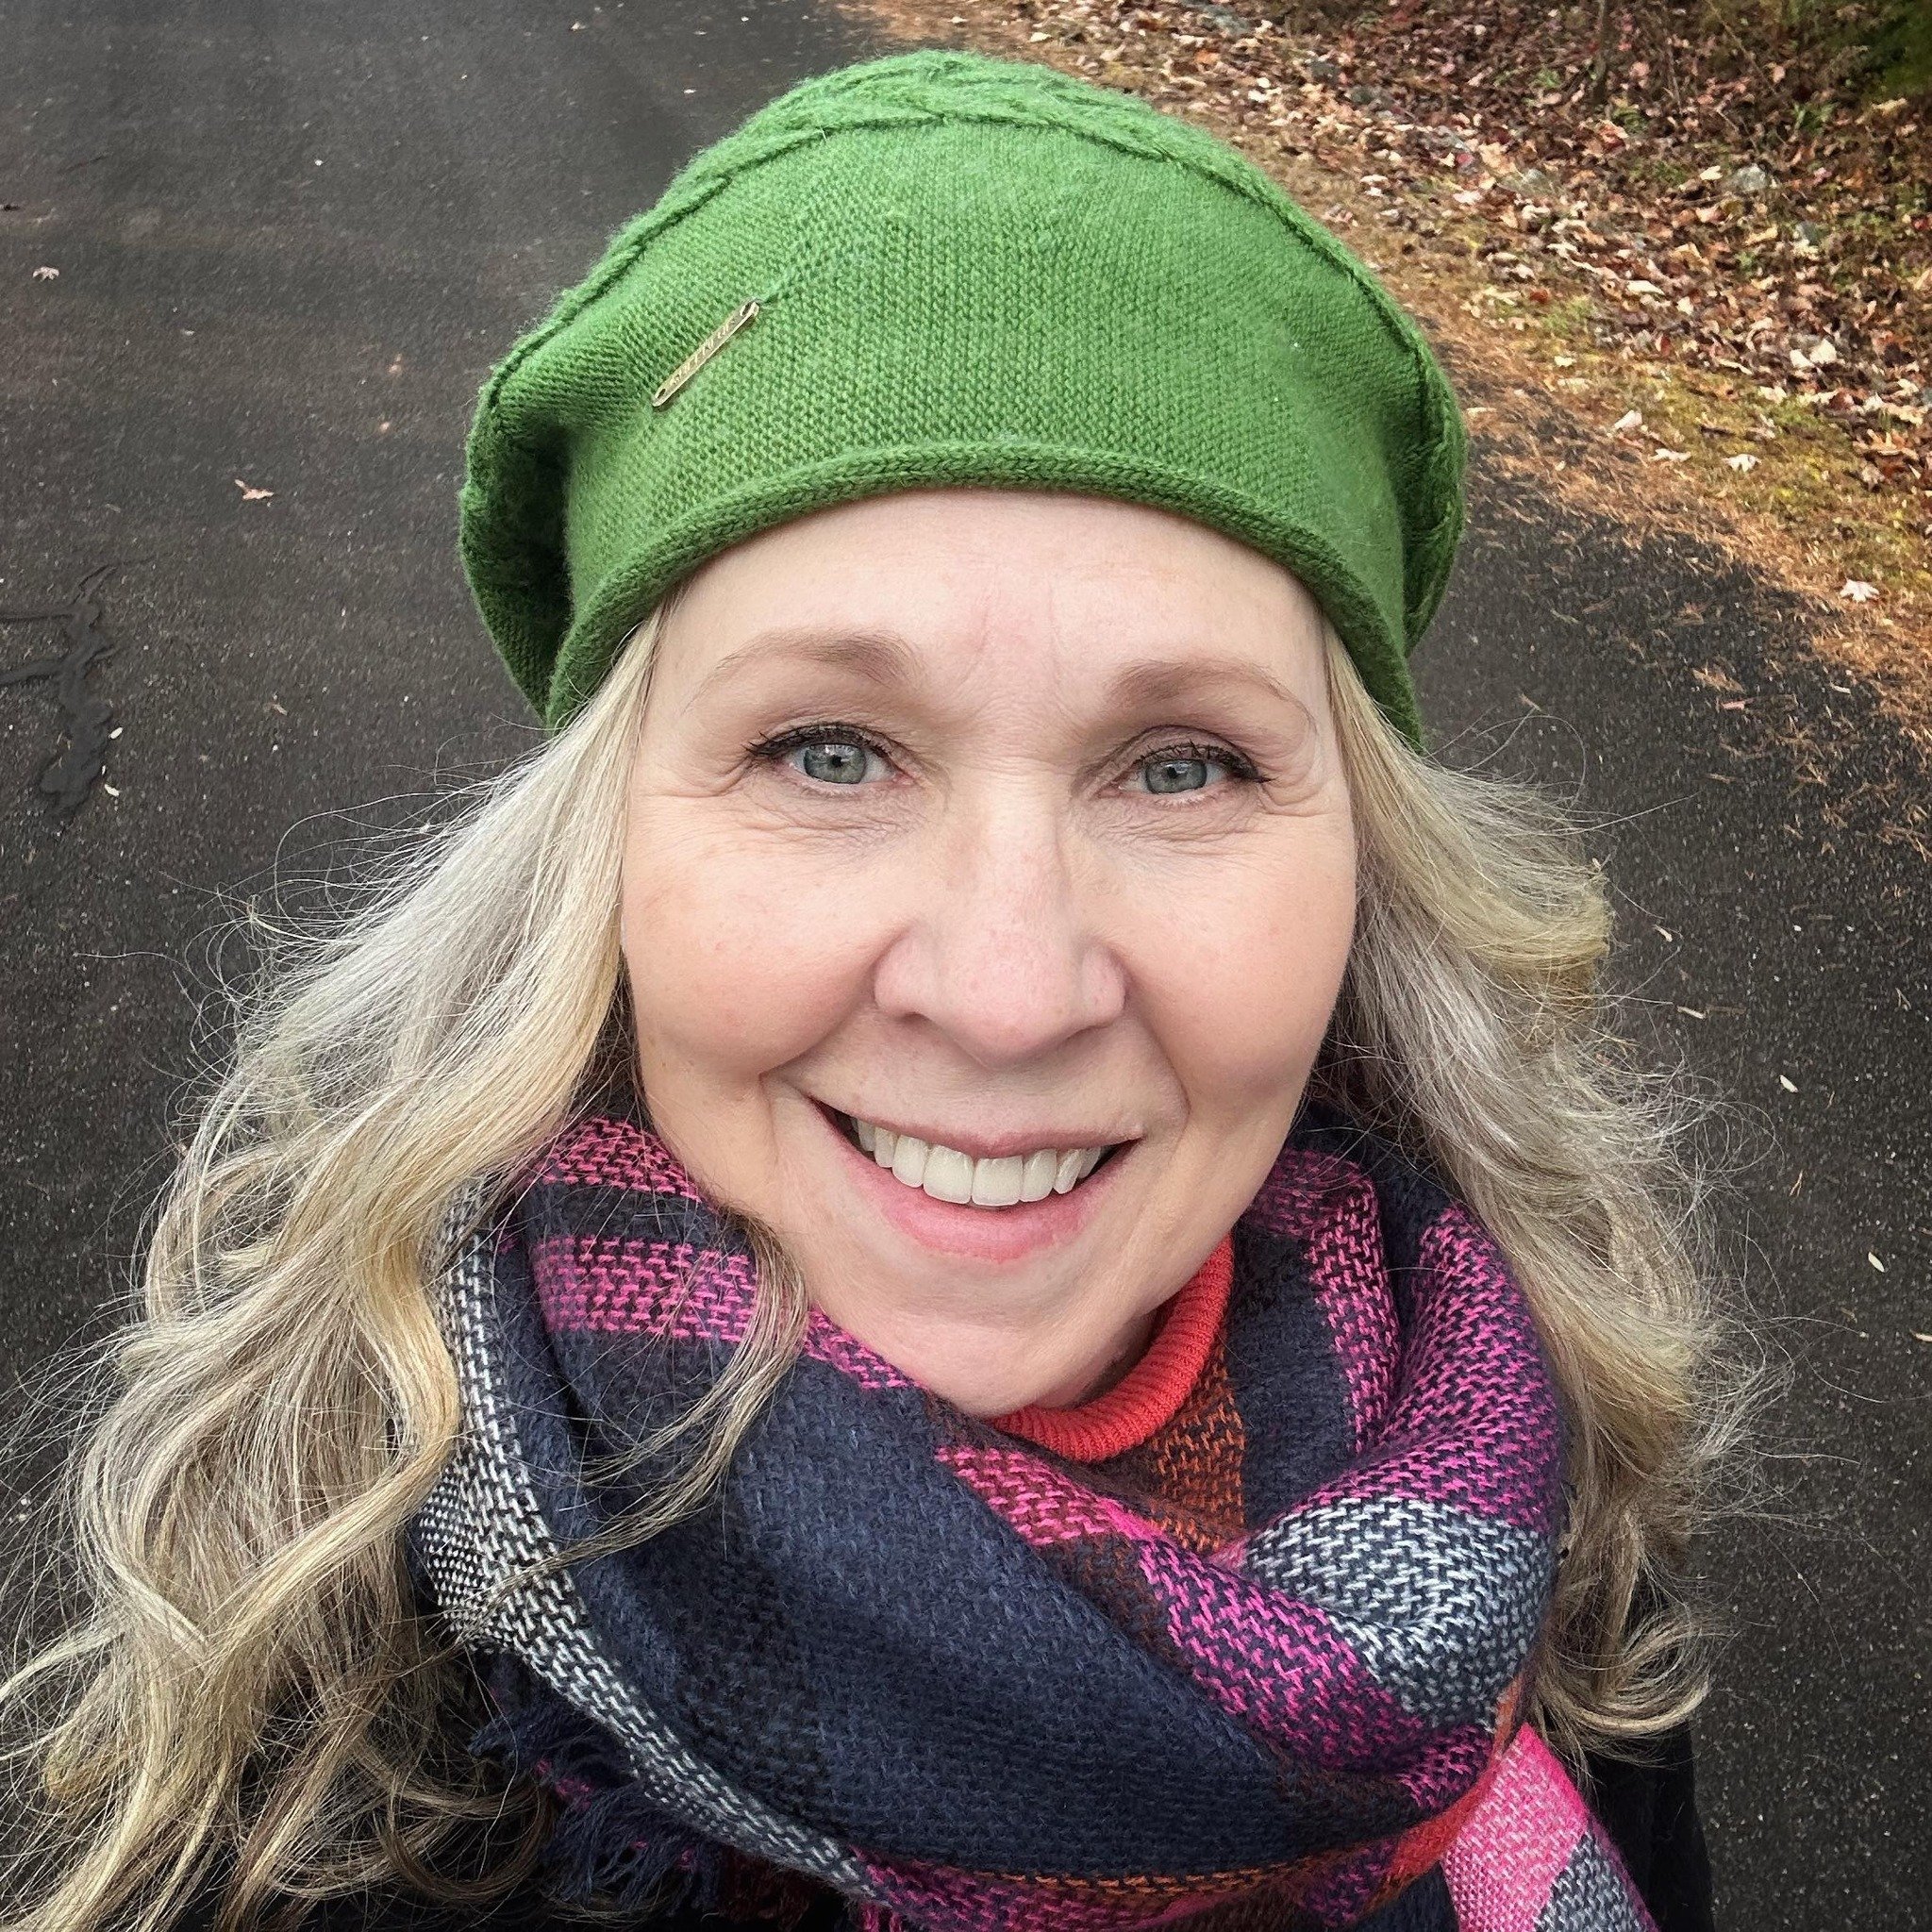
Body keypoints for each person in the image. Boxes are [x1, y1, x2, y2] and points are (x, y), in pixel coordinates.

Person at [0, 47, 1744, 1932]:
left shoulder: (1530, 1528)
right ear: (603, 866)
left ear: (1364, 878)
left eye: (1182, 766)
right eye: (829, 752)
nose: (1007, 990)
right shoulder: (359, 1741)